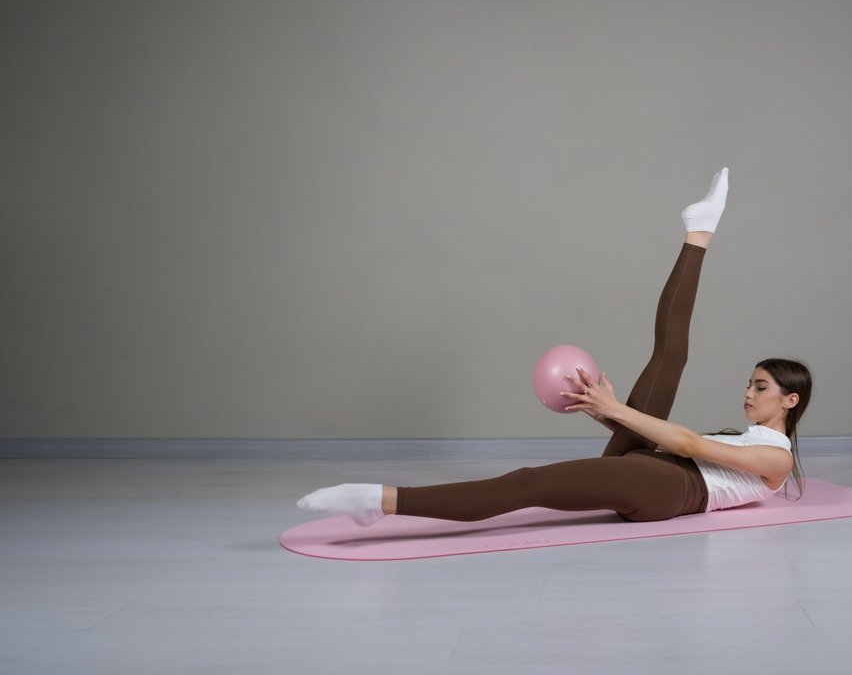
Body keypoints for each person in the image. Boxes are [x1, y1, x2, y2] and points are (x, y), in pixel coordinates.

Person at [297, 168, 813, 527]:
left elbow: (689, 446)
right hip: (659, 469)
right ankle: (699, 233)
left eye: (760, 387)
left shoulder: (777, 458)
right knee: (669, 357)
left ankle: (380, 501)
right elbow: (673, 444)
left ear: (790, 400)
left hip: (668, 491)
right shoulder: (752, 441)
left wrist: (618, 411)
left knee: (529, 484)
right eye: (749, 383)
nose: (747, 393)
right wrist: (605, 412)